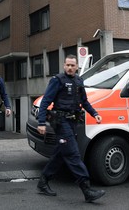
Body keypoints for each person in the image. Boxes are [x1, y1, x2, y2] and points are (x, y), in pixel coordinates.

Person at [36, 55, 105, 203]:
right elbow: (45, 102)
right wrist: (41, 122)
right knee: (73, 154)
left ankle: (43, 182)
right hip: (61, 122)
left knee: (60, 154)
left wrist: (95, 114)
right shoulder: (57, 80)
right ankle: (87, 190)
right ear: (64, 65)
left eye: (72, 65)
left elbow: (84, 101)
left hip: (73, 122)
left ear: (77, 67)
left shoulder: (79, 81)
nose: (70, 68)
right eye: (67, 65)